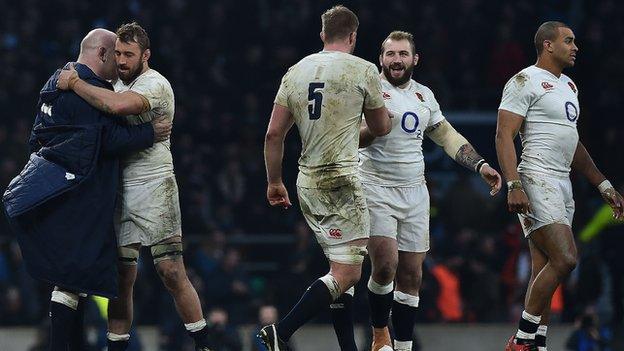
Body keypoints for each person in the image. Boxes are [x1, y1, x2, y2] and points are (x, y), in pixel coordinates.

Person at [2, 28, 171, 350]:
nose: (120, 64)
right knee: (71, 280)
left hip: (58, 193)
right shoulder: (85, 90)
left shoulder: (53, 83)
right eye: (116, 55)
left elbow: (44, 138)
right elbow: (104, 140)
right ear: (103, 54)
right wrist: (148, 133)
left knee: (73, 281)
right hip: (79, 197)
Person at [56, 22, 214, 351]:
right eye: (118, 53)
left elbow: (116, 107)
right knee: (122, 278)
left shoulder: (155, 84)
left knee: (171, 270)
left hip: (156, 185)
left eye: (129, 54)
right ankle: (116, 347)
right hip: (121, 189)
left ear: (146, 55)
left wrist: (74, 82)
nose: (123, 60)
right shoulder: (110, 83)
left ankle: (204, 343)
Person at [355, 30, 502, 351]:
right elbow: (352, 139)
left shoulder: (424, 96)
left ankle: (404, 347)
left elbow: (446, 135)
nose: (396, 60)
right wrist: (377, 128)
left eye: (402, 54)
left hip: (415, 193)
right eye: (390, 54)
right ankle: (380, 334)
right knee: (385, 265)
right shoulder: (367, 89)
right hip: (375, 187)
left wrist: (480, 165)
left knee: (411, 276)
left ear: (414, 59)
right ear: (380, 59)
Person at [259, 5, 391, 350]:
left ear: (322, 35)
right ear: (353, 36)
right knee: (348, 274)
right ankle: (281, 332)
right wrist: (378, 121)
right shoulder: (363, 70)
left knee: (337, 269)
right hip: (343, 181)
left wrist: (275, 182)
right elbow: (379, 128)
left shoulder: (296, 71)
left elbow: (274, 134)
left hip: (307, 183)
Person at [495, 21, 624, 351]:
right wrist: (513, 184)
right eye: (568, 40)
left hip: (562, 182)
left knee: (544, 268)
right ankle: (521, 338)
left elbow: (573, 144)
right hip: (536, 177)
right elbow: (503, 135)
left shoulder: (569, 86)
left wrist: (603, 184)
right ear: (548, 45)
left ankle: (537, 344)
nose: (575, 46)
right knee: (566, 259)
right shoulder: (524, 80)